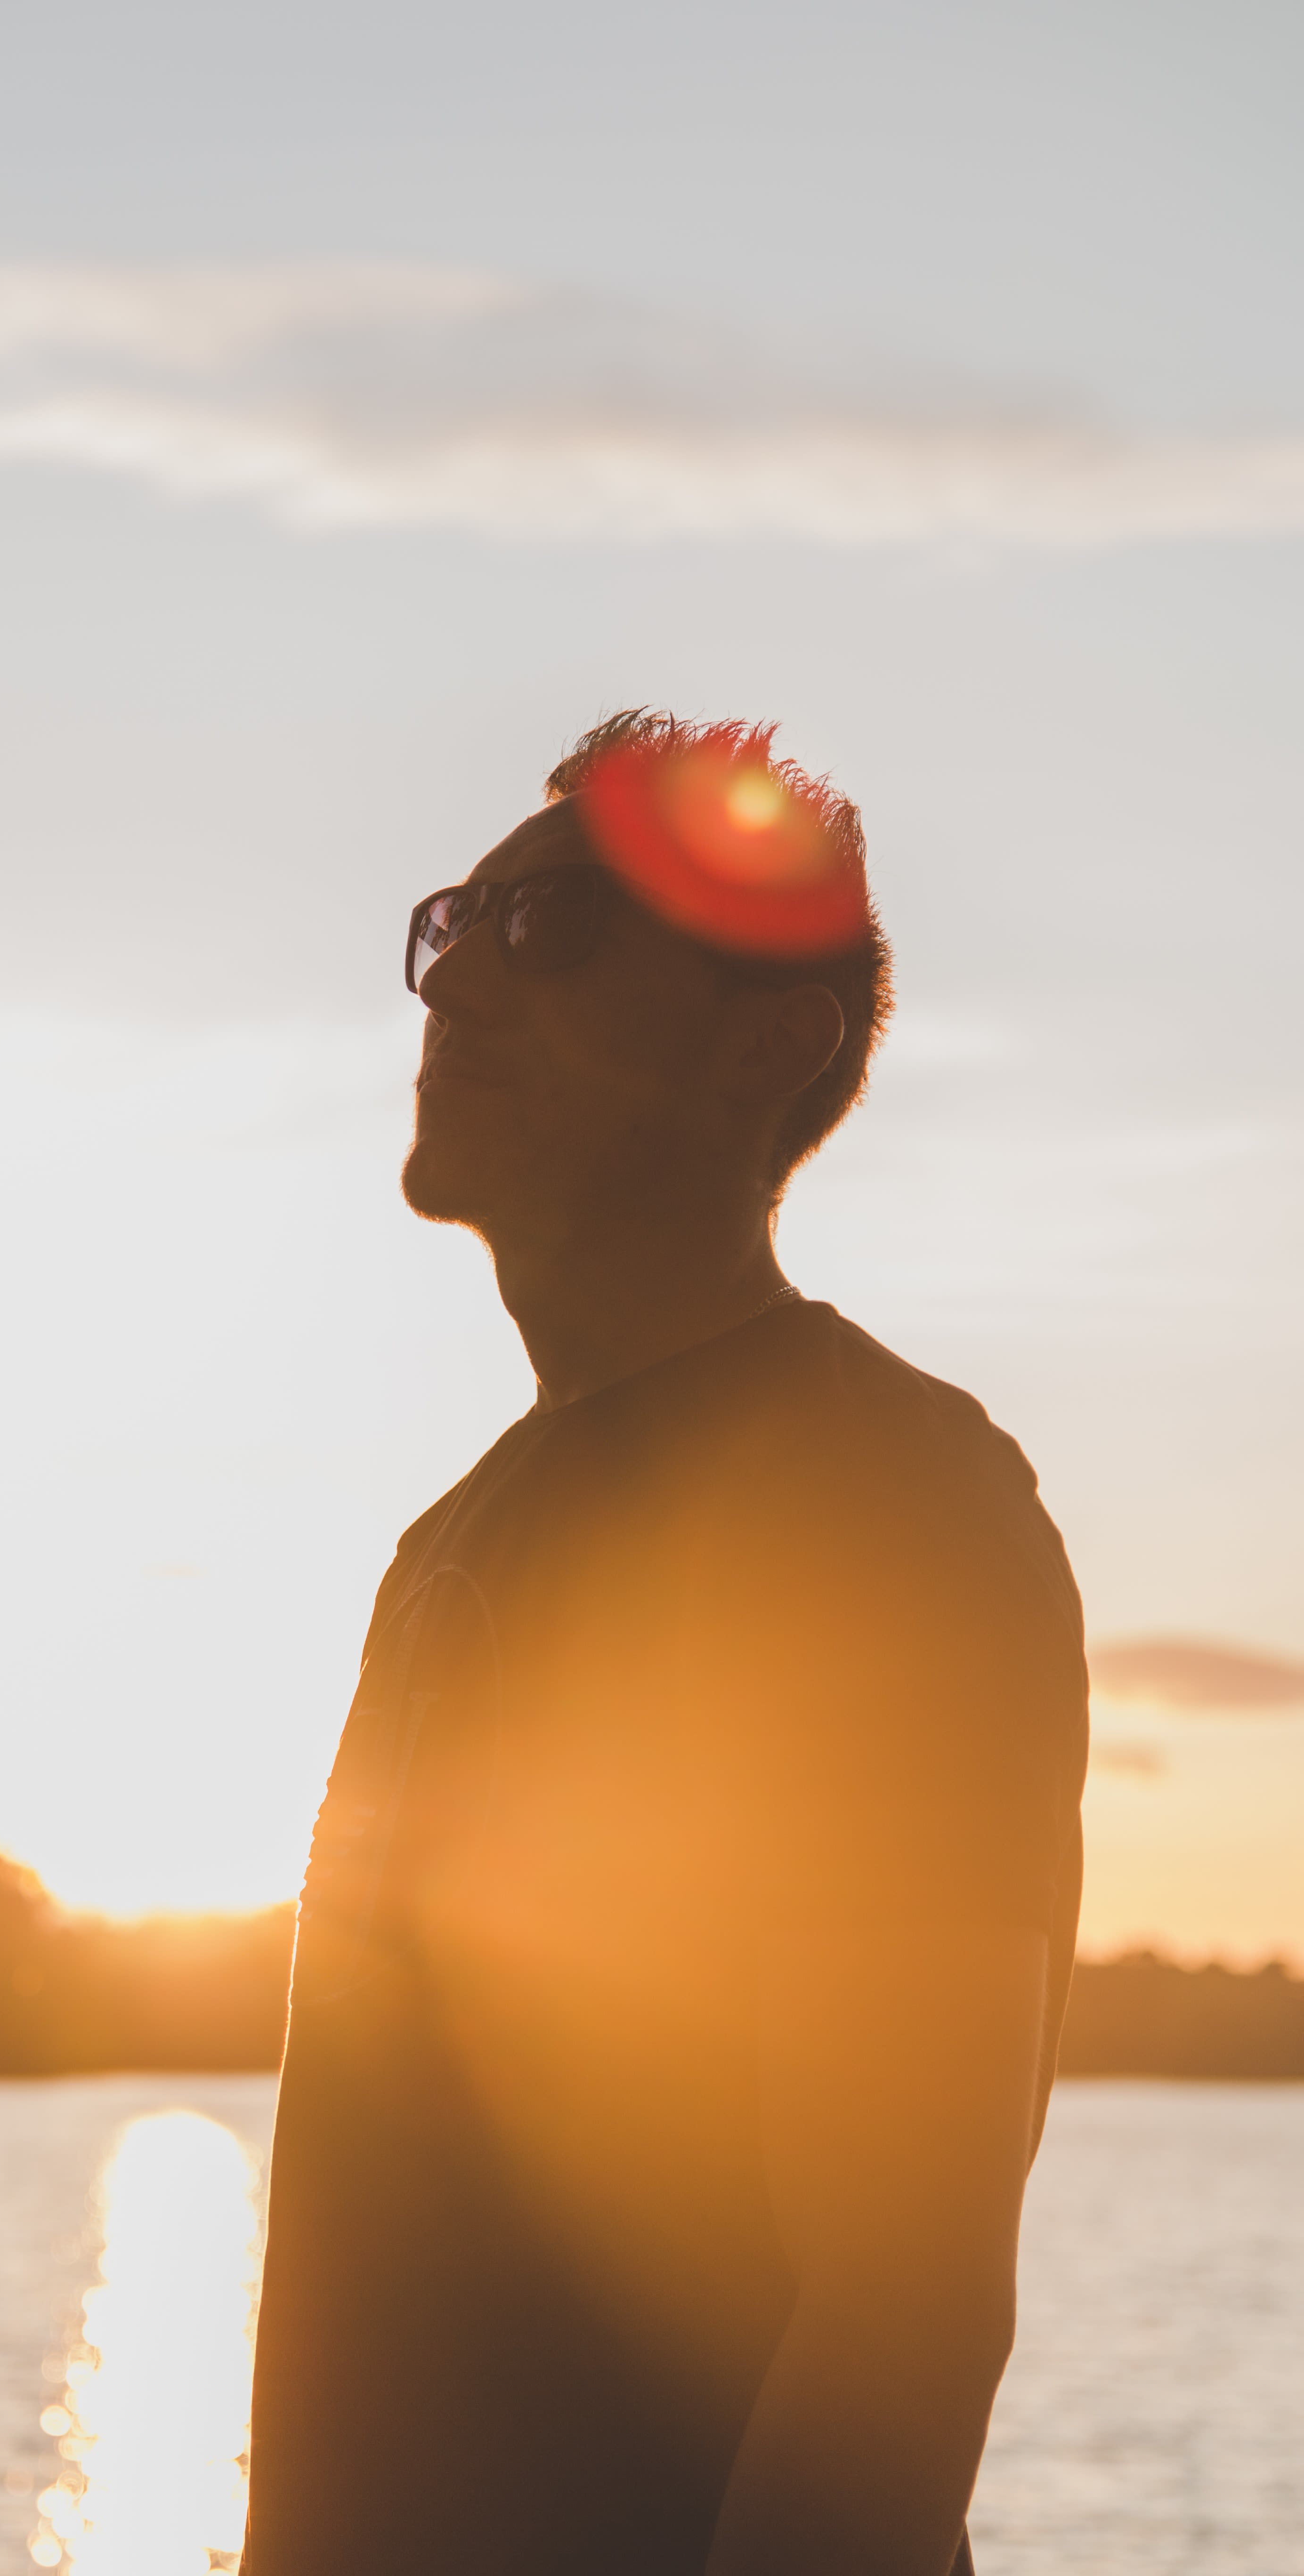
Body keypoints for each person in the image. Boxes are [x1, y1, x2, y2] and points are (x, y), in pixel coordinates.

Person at [243, 710, 1089, 2576]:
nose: (460, 984)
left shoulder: (877, 1500)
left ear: (769, 1041)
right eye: (453, 925)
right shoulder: (444, 1548)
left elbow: (899, 2310)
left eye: (550, 931)